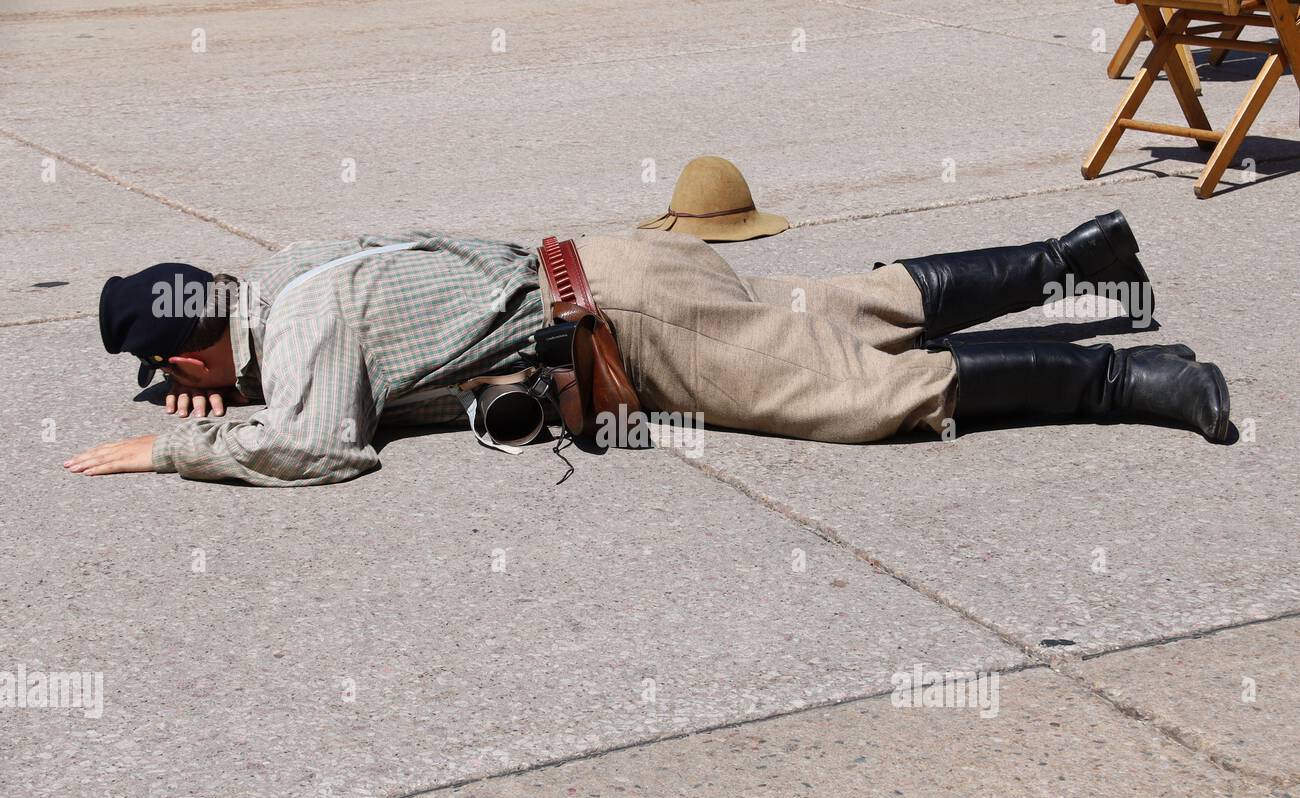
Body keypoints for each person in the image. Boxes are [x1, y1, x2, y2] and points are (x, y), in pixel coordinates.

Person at [65, 211, 1230, 486]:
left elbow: (328, 447)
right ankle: (1079, 258)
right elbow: (294, 376)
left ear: (198, 344)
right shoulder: (279, 278)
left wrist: (167, 453)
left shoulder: (301, 333)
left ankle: (1134, 377)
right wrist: (232, 400)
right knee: (849, 305)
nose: (175, 391)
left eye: (171, 371)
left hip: (617, 326)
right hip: (608, 262)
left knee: (857, 395)